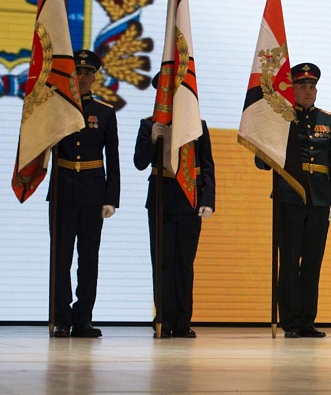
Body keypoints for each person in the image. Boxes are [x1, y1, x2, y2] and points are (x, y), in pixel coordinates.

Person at [255, 63, 331, 339]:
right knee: (290, 262)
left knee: (312, 263)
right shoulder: (281, 117)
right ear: (292, 90)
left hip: (319, 199)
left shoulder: (329, 120)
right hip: (289, 197)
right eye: (303, 86)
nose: (308, 91)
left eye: (312, 87)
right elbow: (261, 162)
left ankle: (307, 321)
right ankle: (290, 322)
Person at [133, 74, 216, 339]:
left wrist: (207, 200)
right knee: (162, 261)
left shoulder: (197, 125)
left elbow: (207, 165)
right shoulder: (149, 124)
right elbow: (139, 162)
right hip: (162, 199)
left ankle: (182, 321)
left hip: (190, 199)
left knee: (184, 263)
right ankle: (164, 319)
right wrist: (152, 139)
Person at [49, 49, 120, 338]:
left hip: (93, 192)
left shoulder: (104, 112)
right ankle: (61, 317)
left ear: (94, 78)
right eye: (78, 73)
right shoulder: (57, 108)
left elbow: (112, 157)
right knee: (61, 258)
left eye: (88, 73)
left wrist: (111, 198)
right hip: (63, 190)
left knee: (88, 258)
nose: (82, 78)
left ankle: (83, 319)